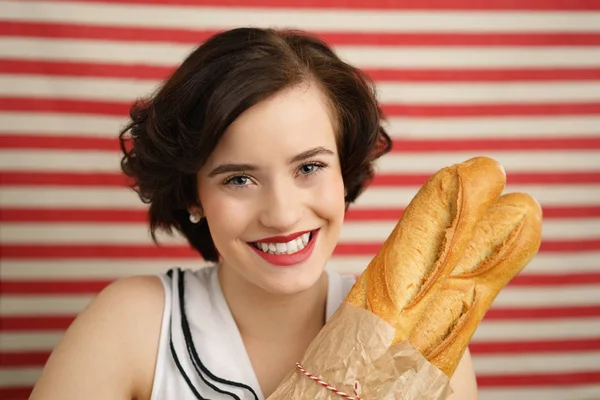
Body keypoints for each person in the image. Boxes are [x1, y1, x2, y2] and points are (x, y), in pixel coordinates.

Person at [30, 27, 478, 400]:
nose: (282, 215)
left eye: (309, 167)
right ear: (193, 196)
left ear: (345, 171)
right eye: (238, 179)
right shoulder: (134, 323)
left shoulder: (420, 337)